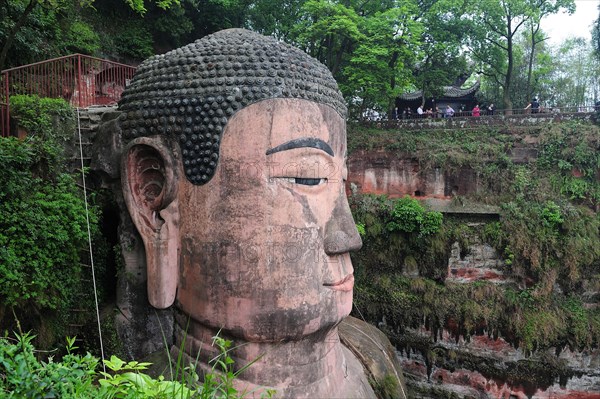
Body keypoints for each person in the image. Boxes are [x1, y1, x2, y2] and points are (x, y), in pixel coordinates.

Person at [95, 28, 407, 398]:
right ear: (153, 198)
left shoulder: (373, 358)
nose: (348, 236)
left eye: (340, 182)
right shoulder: (142, 390)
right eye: (307, 177)